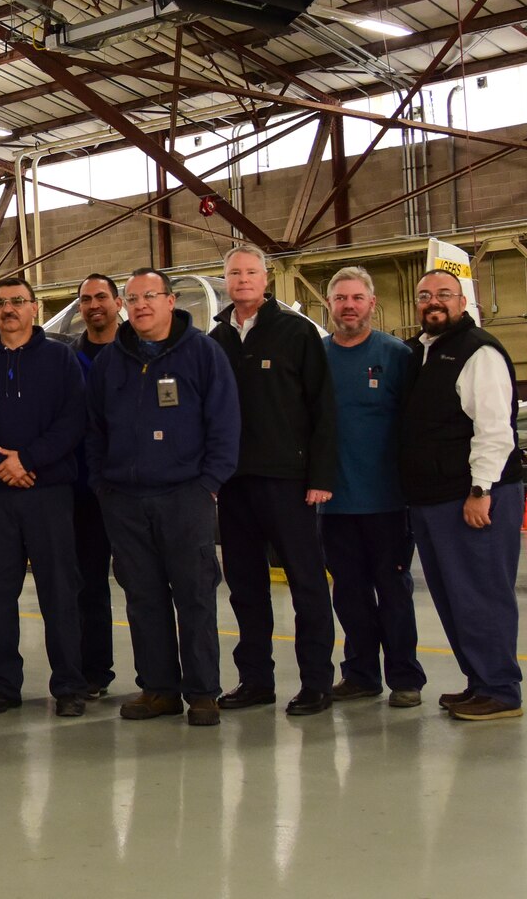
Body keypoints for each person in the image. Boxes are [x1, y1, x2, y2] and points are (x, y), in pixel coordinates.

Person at [87, 269, 238, 726]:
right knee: (142, 597)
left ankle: (202, 692)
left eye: (150, 296)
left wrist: (208, 483)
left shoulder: (204, 355)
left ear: (171, 301)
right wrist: (104, 485)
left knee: (194, 596)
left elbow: (226, 424)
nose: (141, 305)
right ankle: (158, 689)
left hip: (185, 496)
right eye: (132, 299)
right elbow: (93, 430)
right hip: (125, 501)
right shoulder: (109, 363)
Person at [209, 244, 339, 717]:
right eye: (234, 273)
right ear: (225, 280)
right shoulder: (216, 339)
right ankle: (255, 679)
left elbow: (323, 406)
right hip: (235, 484)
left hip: (288, 481)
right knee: (244, 586)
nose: (242, 279)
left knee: (306, 583)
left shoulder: (296, 332)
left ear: (266, 279)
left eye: (251, 272)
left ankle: (317, 683)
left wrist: (320, 475)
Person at [0, 278, 87, 716]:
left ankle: (69, 685)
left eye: (18, 302)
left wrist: (28, 460)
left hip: (48, 491)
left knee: (59, 592)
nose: (9, 309)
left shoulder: (61, 358)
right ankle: (1, 686)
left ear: (34, 307)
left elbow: (73, 420)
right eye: (1, 303)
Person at [398, 269, 524, 722]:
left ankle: (501, 690)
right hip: (431, 498)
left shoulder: (479, 351)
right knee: (454, 597)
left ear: (463, 300)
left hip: (472, 496)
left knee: (482, 594)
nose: (434, 302)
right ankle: (479, 682)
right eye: (425, 295)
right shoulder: (421, 352)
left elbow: (494, 429)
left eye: (444, 295)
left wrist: (480, 490)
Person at [320, 268, 426, 708]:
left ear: (372, 302)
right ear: (329, 304)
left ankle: (405, 678)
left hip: (387, 502)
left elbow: (416, 423)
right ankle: (361, 674)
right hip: (334, 503)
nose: (349, 305)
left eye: (357, 297)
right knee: (349, 594)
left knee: (394, 592)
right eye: (341, 298)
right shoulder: (317, 356)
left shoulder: (396, 355)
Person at [66, 274, 121, 697]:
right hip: (85, 491)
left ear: (117, 303)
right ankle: (94, 673)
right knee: (88, 584)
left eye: (101, 296)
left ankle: (160, 676)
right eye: (86, 299)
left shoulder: (140, 354)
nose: (93, 304)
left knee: (147, 584)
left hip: (136, 489)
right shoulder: (69, 358)